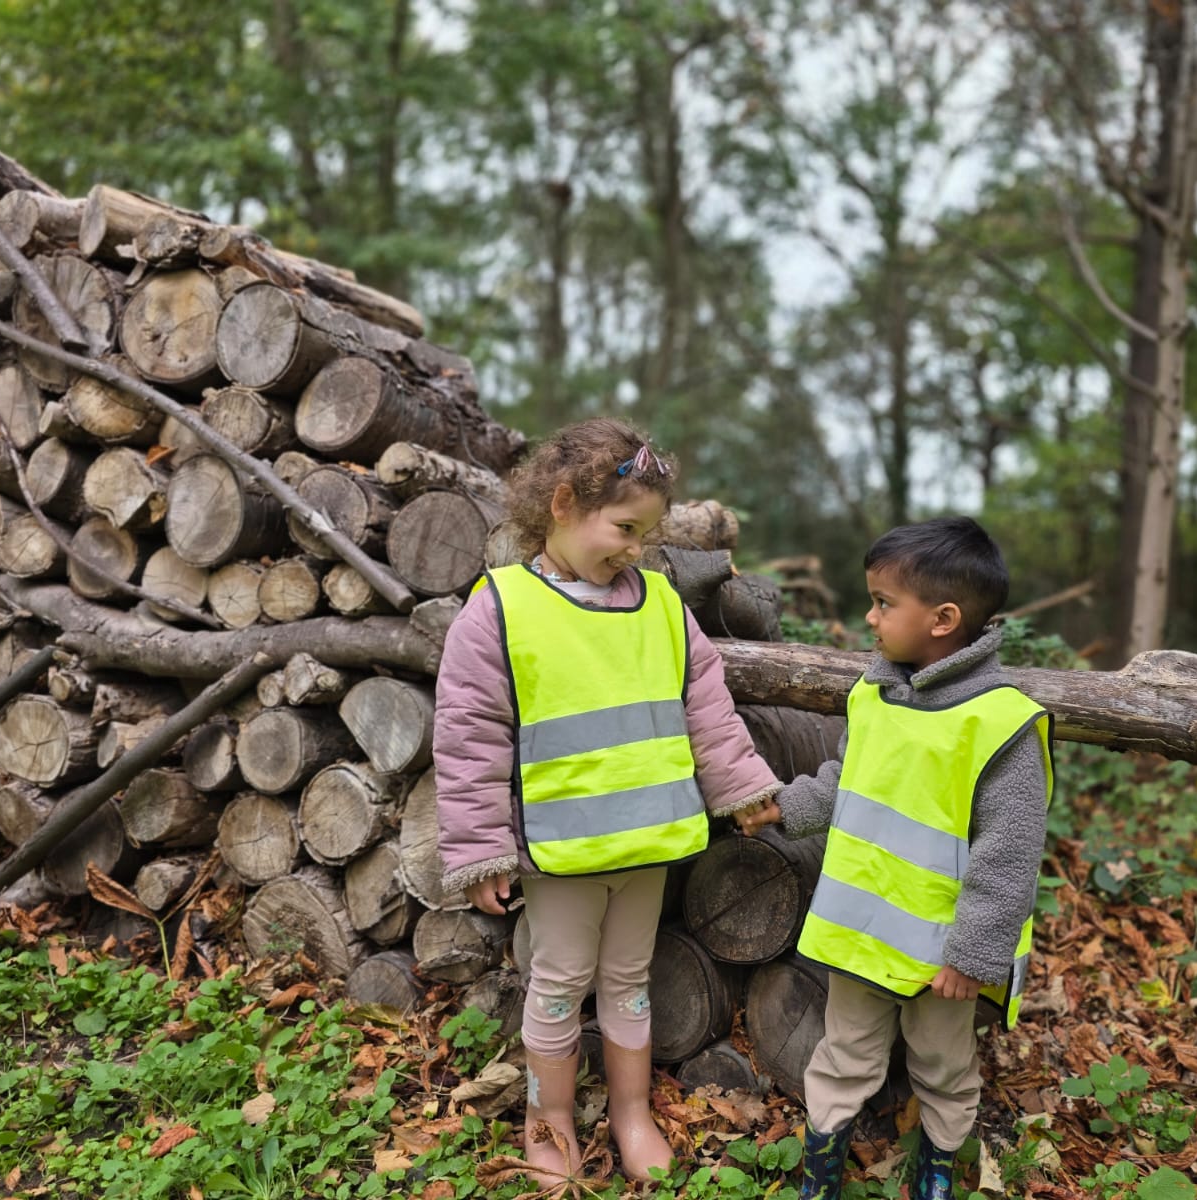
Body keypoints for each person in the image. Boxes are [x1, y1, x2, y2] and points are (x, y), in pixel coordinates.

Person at [434, 418, 782, 1186]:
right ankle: (549, 1123)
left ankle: (631, 1114)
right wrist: (480, 850)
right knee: (559, 986)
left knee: (628, 981)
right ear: (562, 504)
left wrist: (743, 788)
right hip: (561, 852)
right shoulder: (499, 609)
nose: (635, 548)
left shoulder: (661, 604)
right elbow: (468, 738)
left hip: (647, 842)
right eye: (624, 528)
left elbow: (708, 708)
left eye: (646, 534)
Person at [739, 517, 1054, 1200]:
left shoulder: (1000, 724)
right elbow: (848, 779)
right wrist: (788, 806)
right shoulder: (875, 694)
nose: (870, 616)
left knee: (942, 1064)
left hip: (944, 955)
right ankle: (821, 1173)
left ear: (943, 619)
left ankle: (936, 1170)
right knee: (843, 1053)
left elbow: (1009, 855)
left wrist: (973, 954)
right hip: (862, 933)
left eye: (884, 602)